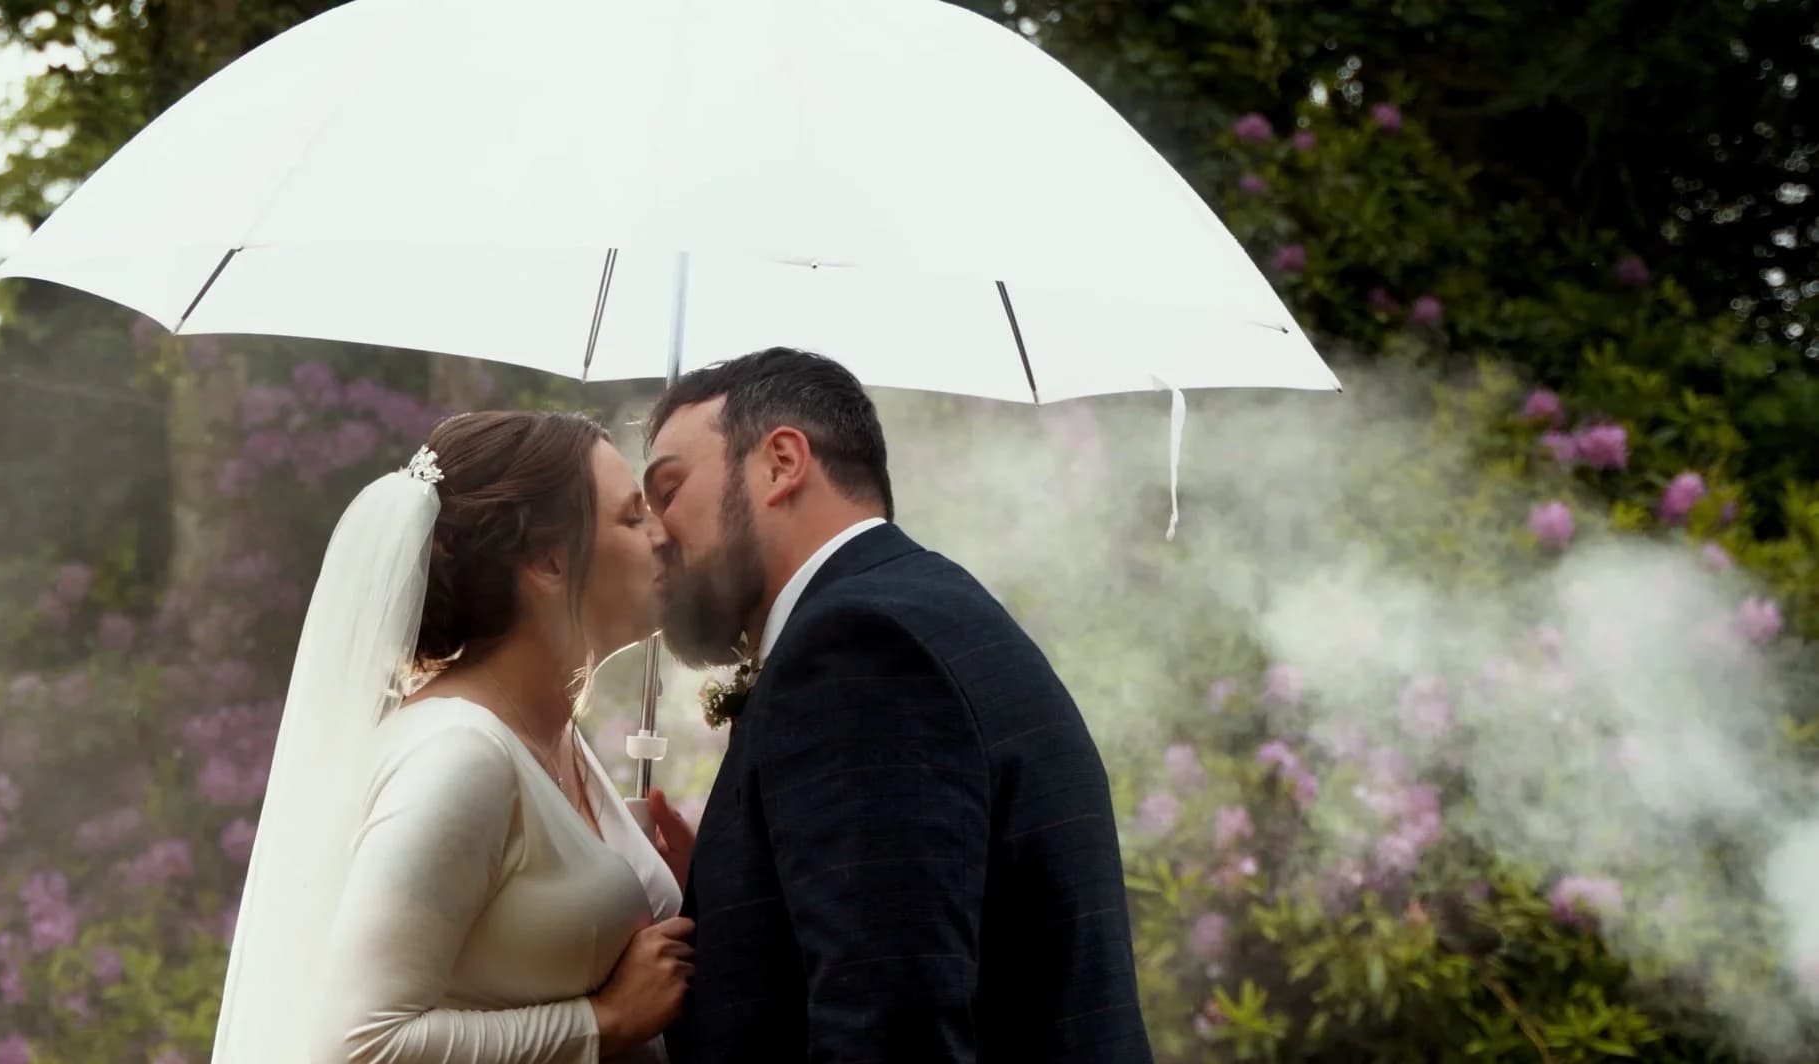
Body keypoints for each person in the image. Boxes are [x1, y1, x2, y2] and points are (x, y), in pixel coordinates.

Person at [638, 348, 1153, 1062]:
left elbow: (892, 1025)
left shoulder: (859, 650)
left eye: (668, 487)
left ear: (782, 462)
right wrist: (730, 888)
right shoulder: (921, 604)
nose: (656, 530)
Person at [211, 409, 696, 1064]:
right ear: (550, 561)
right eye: (632, 517)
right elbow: (358, 1044)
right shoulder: (460, 757)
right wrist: (602, 1023)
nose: (664, 536)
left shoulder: (554, 739)